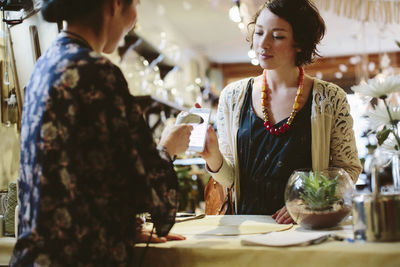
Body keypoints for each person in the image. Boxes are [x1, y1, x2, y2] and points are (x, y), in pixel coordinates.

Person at [10, 0, 193, 266]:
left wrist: (124, 227)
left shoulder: (44, 66)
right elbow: (147, 190)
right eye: (136, 5)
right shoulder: (97, 72)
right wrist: (168, 148)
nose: (134, 19)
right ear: (115, 4)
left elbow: (80, 175)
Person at [199, 0, 362, 224]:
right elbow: (231, 180)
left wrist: (307, 202)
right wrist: (212, 156)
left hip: (305, 230)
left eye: (277, 36)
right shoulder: (232, 97)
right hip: (246, 229)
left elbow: (348, 169)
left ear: (299, 43)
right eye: (258, 33)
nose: (263, 44)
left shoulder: (330, 98)